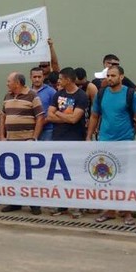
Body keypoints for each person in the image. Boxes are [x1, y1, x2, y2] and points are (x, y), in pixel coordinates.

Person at [87, 65, 136, 225]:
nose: (110, 78)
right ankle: (109, 210)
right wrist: (88, 137)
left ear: (121, 77)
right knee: (106, 177)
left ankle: (126, 212)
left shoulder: (130, 94)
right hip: (105, 141)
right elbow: (94, 116)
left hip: (125, 141)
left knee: (125, 178)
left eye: (113, 75)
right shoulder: (101, 94)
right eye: (108, 75)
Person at [0, 71, 45, 216]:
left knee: (29, 174)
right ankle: (15, 202)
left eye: (8, 81)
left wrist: (34, 137)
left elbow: (40, 117)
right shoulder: (7, 96)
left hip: (27, 141)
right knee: (13, 173)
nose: (7, 84)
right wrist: (2, 135)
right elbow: (3, 117)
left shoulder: (32, 95)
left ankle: (34, 204)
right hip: (11, 142)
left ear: (17, 83)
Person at [48, 68, 89, 218]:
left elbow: (74, 119)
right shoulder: (58, 94)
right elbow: (49, 115)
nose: (58, 81)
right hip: (58, 138)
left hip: (75, 140)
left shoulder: (81, 96)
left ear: (69, 80)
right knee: (60, 175)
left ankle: (78, 206)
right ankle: (61, 205)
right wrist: (63, 114)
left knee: (75, 174)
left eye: (61, 79)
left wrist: (58, 113)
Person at [30, 66, 57, 141]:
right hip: (31, 130)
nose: (37, 79)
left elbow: (56, 111)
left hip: (48, 130)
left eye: (39, 77)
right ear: (30, 77)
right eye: (34, 77)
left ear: (43, 77)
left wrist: (42, 122)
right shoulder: (27, 92)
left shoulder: (51, 92)